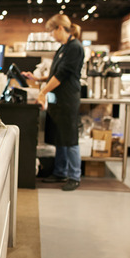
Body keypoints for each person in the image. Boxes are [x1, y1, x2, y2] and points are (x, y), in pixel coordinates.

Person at [22, 14, 85, 191]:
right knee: (60, 137)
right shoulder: (62, 48)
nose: (51, 35)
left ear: (59, 28)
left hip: (68, 100)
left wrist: (42, 92)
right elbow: (53, 75)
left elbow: (62, 76)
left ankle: (74, 176)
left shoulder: (75, 48)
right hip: (58, 100)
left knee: (70, 138)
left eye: (51, 31)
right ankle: (60, 171)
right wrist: (38, 78)